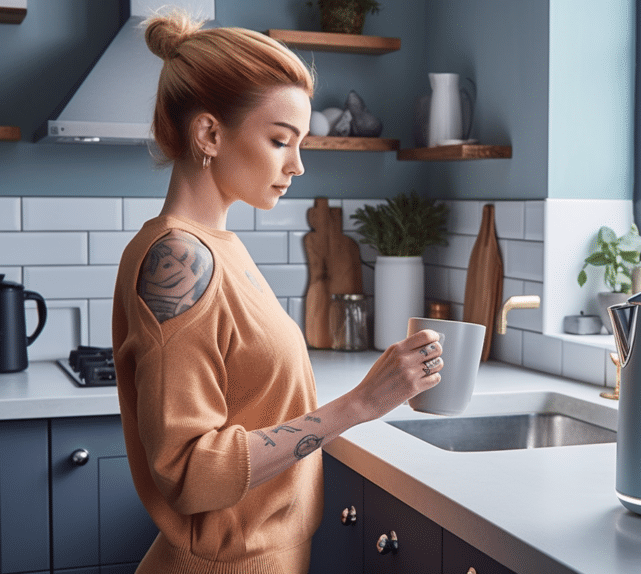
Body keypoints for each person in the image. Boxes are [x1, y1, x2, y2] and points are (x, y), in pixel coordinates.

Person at [111, 10, 443, 573]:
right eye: (279, 140)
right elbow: (192, 475)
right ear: (210, 134)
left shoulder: (218, 245)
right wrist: (359, 405)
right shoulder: (177, 258)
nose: (297, 165)